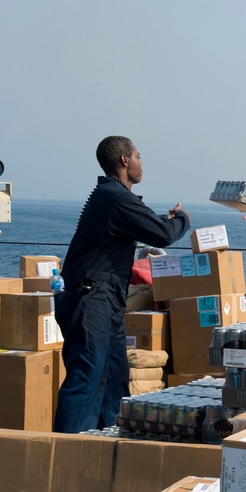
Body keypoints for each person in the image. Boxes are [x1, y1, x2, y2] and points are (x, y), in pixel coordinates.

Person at [53, 136, 191, 433]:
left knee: (114, 374)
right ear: (125, 160)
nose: (143, 163)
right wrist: (182, 218)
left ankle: (108, 440)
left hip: (107, 298)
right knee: (88, 373)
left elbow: (147, 224)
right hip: (91, 297)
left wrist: (164, 221)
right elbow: (164, 235)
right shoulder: (115, 197)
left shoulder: (114, 197)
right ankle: (66, 450)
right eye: (139, 156)